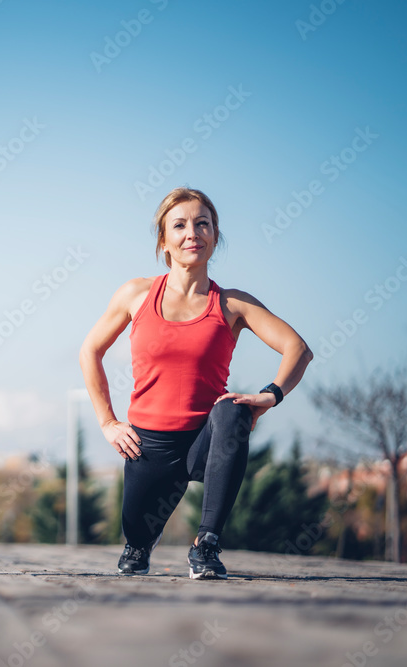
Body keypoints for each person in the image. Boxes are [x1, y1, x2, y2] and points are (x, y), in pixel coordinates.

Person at [78, 187, 312, 580]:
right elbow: (90, 351)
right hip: (148, 446)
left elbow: (298, 349)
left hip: (206, 439)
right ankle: (140, 543)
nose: (193, 233)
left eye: (203, 224)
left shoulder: (232, 304)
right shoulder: (136, 294)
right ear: (164, 240)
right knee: (136, 544)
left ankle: (207, 545)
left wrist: (270, 396)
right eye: (180, 225)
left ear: (214, 236)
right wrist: (108, 422)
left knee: (232, 410)